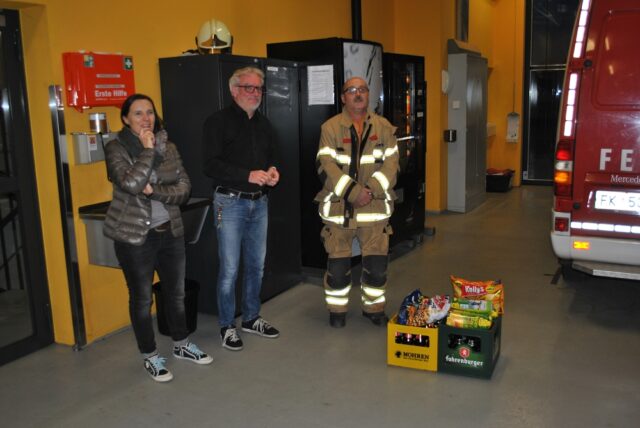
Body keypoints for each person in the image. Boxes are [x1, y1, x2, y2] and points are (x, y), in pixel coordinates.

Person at [104, 93, 213, 382]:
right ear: (126, 118)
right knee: (141, 300)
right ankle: (150, 355)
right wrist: (149, 151)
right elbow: (130, 183)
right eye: (138, 113)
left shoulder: (170, 146)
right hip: (135, 237)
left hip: (170, 232)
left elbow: (184, 188)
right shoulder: (116, 148)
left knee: (175, 295)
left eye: (149, 112)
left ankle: (181, 344)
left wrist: (155, 190)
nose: (145, 119)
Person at [202, 66, 280, 351]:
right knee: (230, 269)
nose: (255, 93)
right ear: (234, 90)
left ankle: (251, 317)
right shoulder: (217, 122)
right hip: (230, 203)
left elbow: (272, 157)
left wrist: (272, 172)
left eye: (259, 88)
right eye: (249, 87)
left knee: (256, 267)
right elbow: (209, 164)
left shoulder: (263, 123)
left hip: (259, 203)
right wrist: (246, 174)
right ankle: (226, 325)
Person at [315, 76, 399, 328]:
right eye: (351, 90)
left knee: (376, 268)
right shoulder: (329, 129)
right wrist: (353, 193)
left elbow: (392, 167)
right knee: (338, 270)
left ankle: (373, 309)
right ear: (343, 97)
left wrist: (369, 191)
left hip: (374, 212)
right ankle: (337, 311)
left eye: (362, 89)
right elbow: (324, 167)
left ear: (368, 94)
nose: (358, 94)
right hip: (339, 212)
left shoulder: (385, 128)